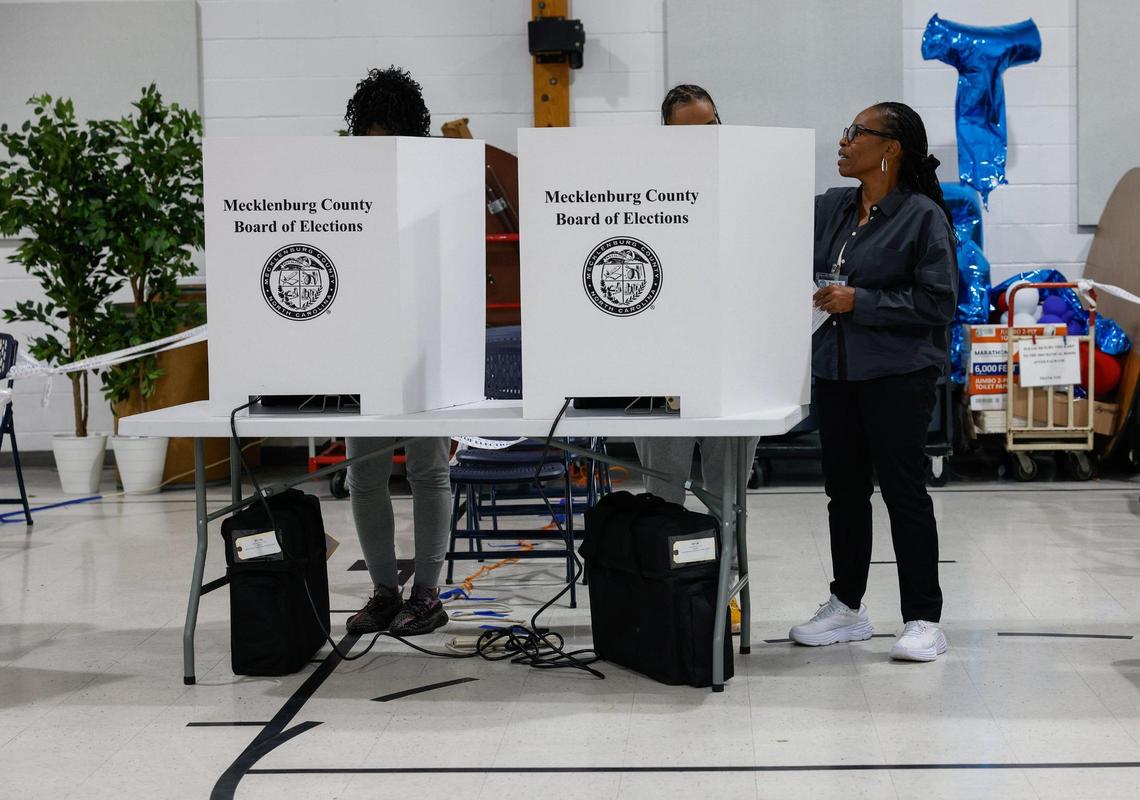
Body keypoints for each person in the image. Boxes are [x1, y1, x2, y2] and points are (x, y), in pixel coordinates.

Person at [789, 102, 957, 661]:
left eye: (856, 133)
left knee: (904, 493)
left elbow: (938, 303)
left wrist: (861, 300)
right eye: (845, 130)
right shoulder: (834, 207)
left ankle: (923, 618)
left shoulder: (923, 217)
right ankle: (847, 607)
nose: (843, 141)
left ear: (890, 148)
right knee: (844, 494)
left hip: (898, 373)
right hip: (836, 370)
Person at [342, 67, 450, 637]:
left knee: (428, 471)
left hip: (426, 342)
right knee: (365, 474)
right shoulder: (345, 180)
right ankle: (385, 591)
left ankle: (427, 594)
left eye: (387, 134)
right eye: (368, 134)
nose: (375, 146)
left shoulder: (436, 175)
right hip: (367, 341)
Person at [633, 84, 756, 511]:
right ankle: (673, 577)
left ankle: (727, 574)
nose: (705, 138)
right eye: (689, 132)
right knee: (663, 497)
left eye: (710, 125)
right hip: (663, 361)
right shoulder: (641, 189)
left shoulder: (750, 179)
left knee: (729, 497)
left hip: (733, 359)